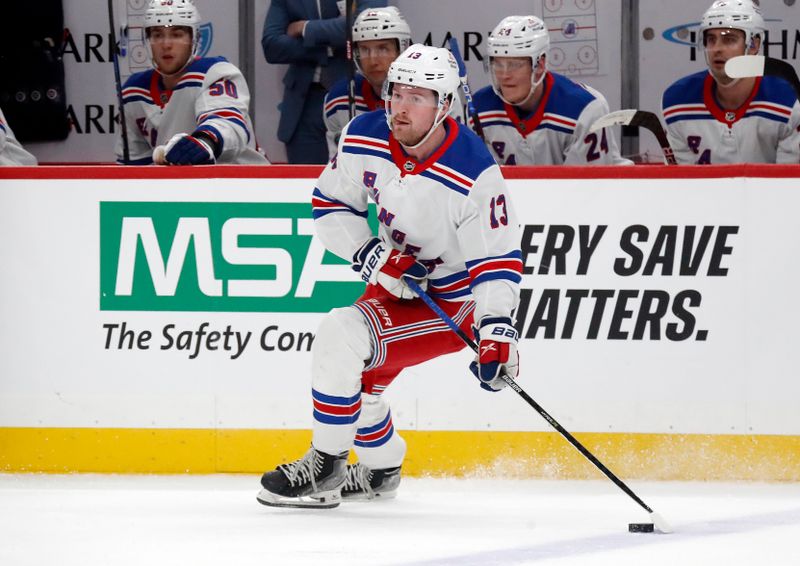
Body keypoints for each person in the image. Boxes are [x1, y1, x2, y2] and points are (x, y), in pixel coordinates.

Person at [257, 45, 523, 509]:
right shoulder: (364, 134)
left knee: (341, 337)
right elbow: (330, 204)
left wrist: (497, 329)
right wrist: (372, 255)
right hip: (393, 280)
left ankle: (326, 467)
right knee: (358, 379)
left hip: (450, 302)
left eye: (417, 97)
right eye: (397, 92)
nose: (400, 105)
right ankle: (383, 468)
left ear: (444, 105)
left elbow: (496, 261)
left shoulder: (474, 172)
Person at [116, 0, 267, 165]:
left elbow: (228, 125)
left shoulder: (214, 72)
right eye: (157, 35)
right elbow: (134, 165)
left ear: (194, 39)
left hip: (244, 182)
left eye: (177, 34)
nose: (166, 44)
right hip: (178, 186)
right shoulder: (133, 91)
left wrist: (204, 141)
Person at [471, 15, 630, 165]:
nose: (504, 75)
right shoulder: (478, 109)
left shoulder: (584, 110)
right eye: (498, 64)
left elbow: (587, 189)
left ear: (540, 65)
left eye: (514, 64)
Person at [661, 0, 800, 164]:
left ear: (754, 45)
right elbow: (680, 183)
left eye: (729, 39)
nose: (717, 48)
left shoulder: (787, 103)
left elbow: (788, 185)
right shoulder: (677, 102)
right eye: (711, 39)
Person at [262, 0, 387, 164]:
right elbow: (272, 46)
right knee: (304, 184)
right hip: (304, 106)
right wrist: (329, 45)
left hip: (354, 97)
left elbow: (364, 27)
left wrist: (305, 28)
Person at [322, 6, 411, 157]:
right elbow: (337, 168)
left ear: (402, 50)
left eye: (383, 48)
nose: (373, 60)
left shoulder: (431, 97)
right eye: (364, 50)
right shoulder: (338, 99)